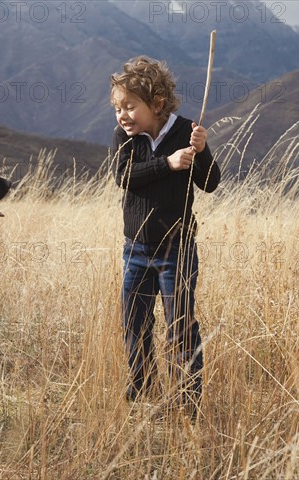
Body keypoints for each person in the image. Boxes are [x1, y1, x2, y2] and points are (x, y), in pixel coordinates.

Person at [110, 56, 220, 416]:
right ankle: (142, 386)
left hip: (177, 250)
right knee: (135, 321)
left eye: (129, 107)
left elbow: (210, 183)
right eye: (117, 108)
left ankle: (188, 402)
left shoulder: (187, 131)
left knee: (180, 325)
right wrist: (167, 164)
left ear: (156, 104)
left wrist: (200, 154)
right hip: (136, 249)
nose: (122, 116)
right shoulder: (125, 139)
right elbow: (124, 176)